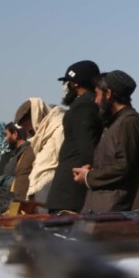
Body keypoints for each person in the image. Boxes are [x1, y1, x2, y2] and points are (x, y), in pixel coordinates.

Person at [74, 70, 139, 212]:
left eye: (97, 94)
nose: (95, 100)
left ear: (108, 94)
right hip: (99, 208)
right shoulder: (116, 122)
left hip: (112, 210)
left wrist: (89, 176)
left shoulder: (129, 121)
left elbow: (123, 166)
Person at [46, 60, 104, 213]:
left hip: (71, 192)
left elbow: (87, 147)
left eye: (67, 83)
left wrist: (90, 174)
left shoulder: (84, 106)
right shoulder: (87, 103)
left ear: (75, 84)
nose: (65, 87)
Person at [25, 98, 67, 203]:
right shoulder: (42, 136)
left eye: (28, 126)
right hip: (40, 190)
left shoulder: (59, 129)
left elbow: (63, 161)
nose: (28, 130)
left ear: (36, 116)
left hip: (51, 186)